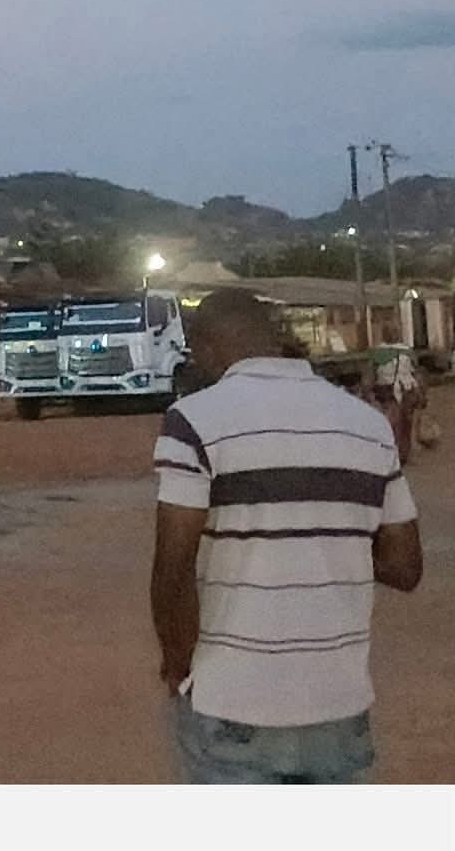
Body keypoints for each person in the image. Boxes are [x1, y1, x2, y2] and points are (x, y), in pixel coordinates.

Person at [151, 288, 423, 784]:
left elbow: (173, 568)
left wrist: (178, 666)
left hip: (234, 701)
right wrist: (329, 542)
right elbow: (406, 568)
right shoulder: (368, 425)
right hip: (339, 705)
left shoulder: (193, 421)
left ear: (206, 346)